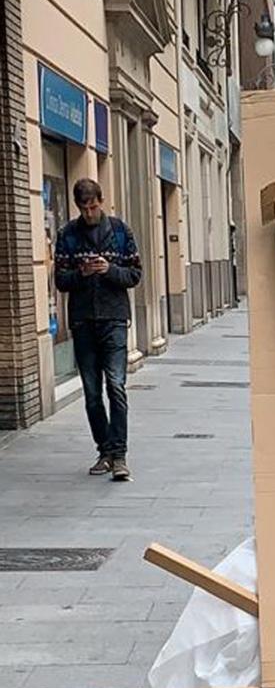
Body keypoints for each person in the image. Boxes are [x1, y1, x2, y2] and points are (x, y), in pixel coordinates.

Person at [54, 179, 142, 482]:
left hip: (114, 319)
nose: (89, 212)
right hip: (83, 321)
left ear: (101, 201)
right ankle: (104, 450)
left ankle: (119, 455)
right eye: (84, 208)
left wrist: (109, 271)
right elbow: (61, 281)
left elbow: (135, 274)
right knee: (92, 393)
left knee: (115, 385)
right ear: (78, 206)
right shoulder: (67, 234)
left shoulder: (120, 232)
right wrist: (82, 272)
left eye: (93, 206)